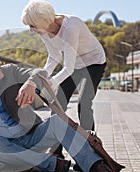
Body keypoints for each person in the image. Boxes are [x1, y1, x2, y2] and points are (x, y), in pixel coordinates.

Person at [21, 0, 107, 159]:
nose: (31, 30)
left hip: (93, 62)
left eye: (32, 26)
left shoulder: (70, 27)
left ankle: (91, 152)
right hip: (74, 63)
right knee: (58, 103)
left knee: (84, 102)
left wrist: (52, 82)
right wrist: (41, 79)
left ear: (43, 21)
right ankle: (55, 150)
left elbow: (68, 67)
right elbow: (54, 57)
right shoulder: (44, 30)